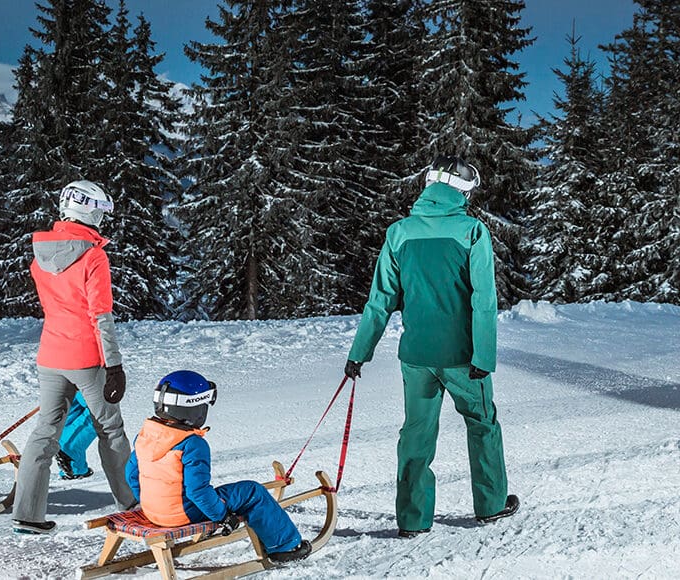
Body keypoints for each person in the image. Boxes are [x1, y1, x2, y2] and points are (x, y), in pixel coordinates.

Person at [345, 157, 517, 538]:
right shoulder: (473, 231)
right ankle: (490, 506)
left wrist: (359, 353)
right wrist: (484, 356)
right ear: (462, 190)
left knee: (416, 434)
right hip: (463, 358)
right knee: (483, 424)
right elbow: (484, 300)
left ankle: (412, 519)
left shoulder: (399, 233)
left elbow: (381, 299)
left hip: (417, 357)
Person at [12, 180, 137, 534]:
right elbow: (101, 316)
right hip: (86, 357)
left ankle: (27, 514)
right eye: (100, 211)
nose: (102, 219)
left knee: (45, 433)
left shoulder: (41, 255)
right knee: (110, 430)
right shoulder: (93, 255)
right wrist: (114, 365)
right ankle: (129, 502)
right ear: (89, 211)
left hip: (50, 354)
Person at [126, 371, 312, 563]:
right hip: (185, 514)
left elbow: (131, 475)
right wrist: (222, 516)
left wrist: (151, 501)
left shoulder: (145, 437)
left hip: (152, 511)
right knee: (252, 492)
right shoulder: (191, 444)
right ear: (194, 410)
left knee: (209, 494)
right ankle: (285, 547)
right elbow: (197, 491)